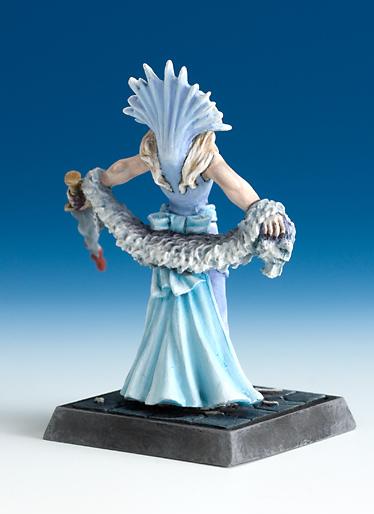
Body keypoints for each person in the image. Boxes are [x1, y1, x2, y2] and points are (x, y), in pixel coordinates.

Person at [75, 61, 286, 409]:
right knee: (166, 311)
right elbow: (122, 169)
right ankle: (166, 383)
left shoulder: (205, 156)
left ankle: (216, 382)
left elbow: (235, 187)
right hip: (167, 233)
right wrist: (94, 182)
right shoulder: (153, 152)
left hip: (202, 236)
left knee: (212, 309)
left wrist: (264, 210)